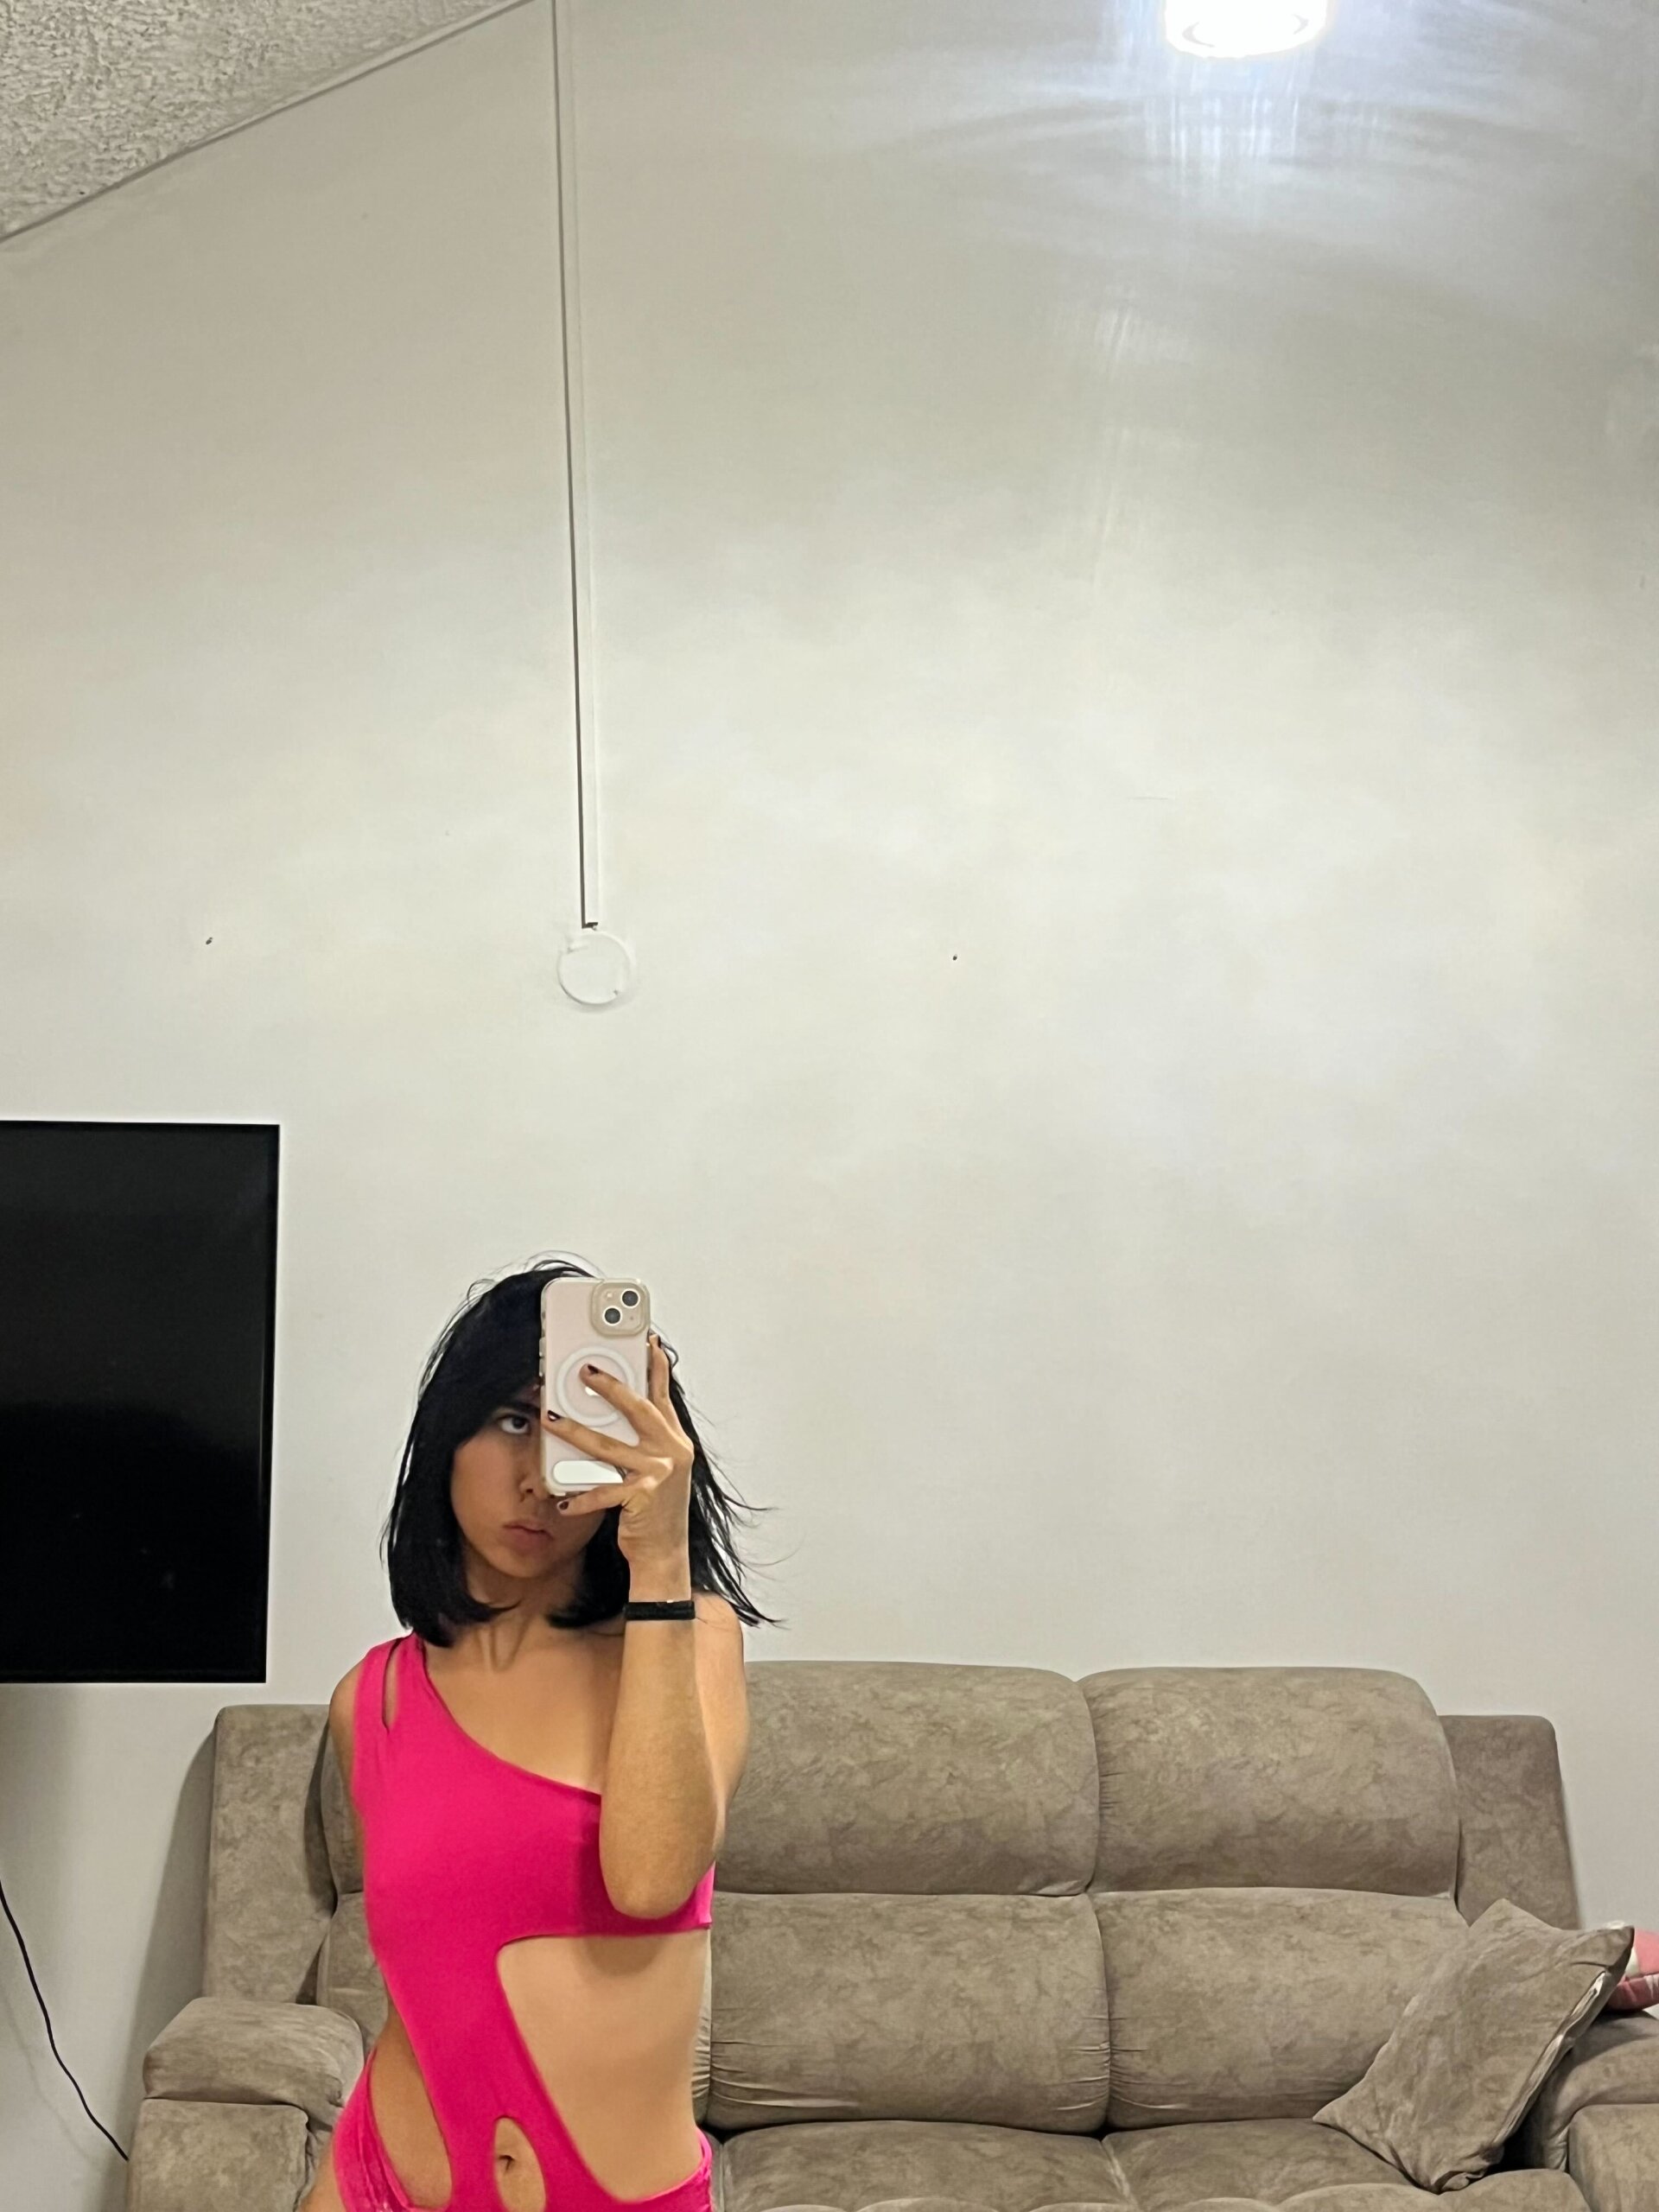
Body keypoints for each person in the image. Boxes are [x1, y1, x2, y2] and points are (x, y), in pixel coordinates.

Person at [300, 1262, 778, 2212]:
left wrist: (660, 1560)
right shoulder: (374, 1700)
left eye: (578, 1428)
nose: (538, 1480)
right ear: (448, 1433)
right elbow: (428, 1986)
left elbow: (651, 1879)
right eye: (515, 1420)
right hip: (380, 2185)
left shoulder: (692, 1639)